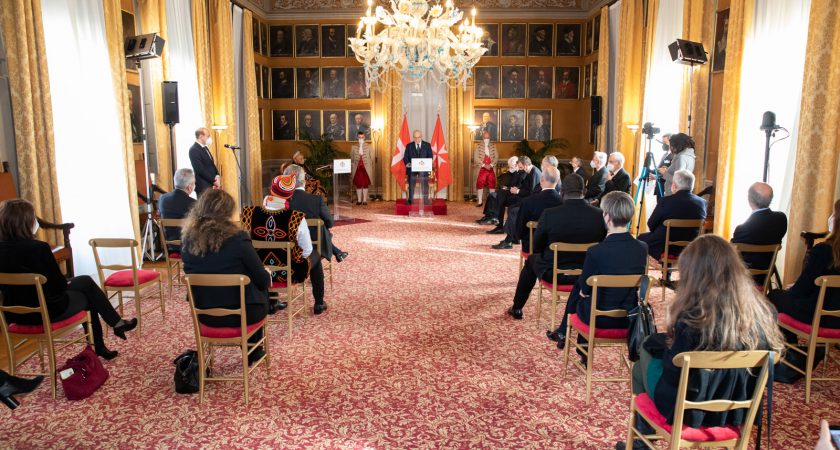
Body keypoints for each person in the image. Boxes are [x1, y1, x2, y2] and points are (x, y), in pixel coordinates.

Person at [617, 235, 784, 450]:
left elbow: (673, 372)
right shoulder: (766, 313)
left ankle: (642, 442)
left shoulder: (693, 318)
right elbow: (774, 368)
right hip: (736, 410)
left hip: (688, 409)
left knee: (641, 363)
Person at [0, 199, 138, 360]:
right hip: (48, 311)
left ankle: (112, 330)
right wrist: (67, 283)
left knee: (85, 282)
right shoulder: (39, 248)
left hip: (13, 316)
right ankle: (107, 336)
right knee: (88, 294)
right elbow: (58, 286)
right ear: (27, 222)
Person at [547, 192, 647, 352]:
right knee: (582, 289)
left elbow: (585, 292)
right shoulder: (642, 248)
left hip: (598, 319)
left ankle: (575, 342)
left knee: (580, 290)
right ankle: (571, 341)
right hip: (629, 316)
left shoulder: (596, 251)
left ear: (607, 217)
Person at [182, 190, 272, 365]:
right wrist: (265, 274)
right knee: (259, 286)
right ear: (227, 212)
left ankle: (252, 350)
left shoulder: (188, 240)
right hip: (243, 315)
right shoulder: (238, 239)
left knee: (248, 286)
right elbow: (261, 280)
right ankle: (253, 350)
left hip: (205, 315)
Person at [507, 174, 606, 319]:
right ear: (584, 191)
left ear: (562, 191)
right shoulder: (599, 215)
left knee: (532, 260)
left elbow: (538, 246)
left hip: (554, 272)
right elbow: (601, 246)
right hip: (587, 274)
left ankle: (517, 307)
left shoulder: (550, 214)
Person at [768, 200, 840, 337]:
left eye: (833, 214)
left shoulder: (823, 250)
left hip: (818, 315)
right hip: (837, 319)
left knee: (775, 296)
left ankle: (791, 348)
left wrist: (792, 289)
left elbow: (801, 291)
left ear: (837, 221)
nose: (830, 217)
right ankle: (812, 350)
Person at [285, 166, 346, 314]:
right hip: (313, 247)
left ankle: (273, 300)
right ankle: (319, 302)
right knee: (316, 256)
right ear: (303, 181)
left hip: (285, 251)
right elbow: (330, 223)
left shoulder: (283, 203)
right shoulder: (315, 199)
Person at [638, 169, 707, 261]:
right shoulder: (702, 203)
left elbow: (651, 224)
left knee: (640, 239)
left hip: (665, 246)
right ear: (692, 185)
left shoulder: (665, 201)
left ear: (674, 185)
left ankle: (646, 270)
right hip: (691, 246)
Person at [494, 166, 562, 250]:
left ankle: (509, 240)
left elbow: (520, 232)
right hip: (555, 247)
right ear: (558, 180)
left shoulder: (528, 202)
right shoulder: (563, 203)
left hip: (532, 246)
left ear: (541, 180)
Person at [731, 182, 788, 284]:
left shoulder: (743, 229)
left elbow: (732, 254)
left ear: (749, 200)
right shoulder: (781, 219)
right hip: (765, 277)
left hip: (746, 279)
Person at [488, 156, 540, 235]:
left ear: (526, 165)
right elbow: (525, 186)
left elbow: (532, 193)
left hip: (527, 200)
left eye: (521, 167)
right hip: (522, 196)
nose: (520, 169)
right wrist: (517, 189)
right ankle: (499, 225)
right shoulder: (530, 170)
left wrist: (518, 191)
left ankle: (507, 232)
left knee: (510, 207)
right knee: (501, 195)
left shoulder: (534, 173)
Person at [158, 168, 197, 252]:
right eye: (194, 184)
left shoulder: (162, 199)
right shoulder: (194, 203)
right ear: (189, 187)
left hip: (170, 246)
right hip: (188, 248)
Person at [478, 156, 522, 226]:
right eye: (510, 166)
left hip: (513, 194)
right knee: (491, 195)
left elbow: (517, 186)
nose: (511, 168)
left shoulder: (519, 173)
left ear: (517, 164)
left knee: (496, 196)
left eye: (512, 166)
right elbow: (504, 181)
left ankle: (494, 218)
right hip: (506, 191)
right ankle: (488, 216)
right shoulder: (510, 173)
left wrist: (507, 188)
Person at [404, 130, 433, 205]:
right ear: (413, 137)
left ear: (421, 137)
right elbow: (405, 157)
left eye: (418, 137)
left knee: (424, 177)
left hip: (423, 169)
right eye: (415, 137)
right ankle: (410, 200)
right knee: (411, 177)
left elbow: (430, 157)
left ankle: (425, 200)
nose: (417, 139)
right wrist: (408, 163)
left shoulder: (427, 145)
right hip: (412, 169)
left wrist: (427, 164)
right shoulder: (409, 146)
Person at [661, 133, 695, 197]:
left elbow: (679, 180)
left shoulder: (681, 157)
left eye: (672, 145)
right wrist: (668, 170)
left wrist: (664, 173)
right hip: (679, 193)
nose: (671, 148)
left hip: (674, 194)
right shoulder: (689, 156)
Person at [188, 127, 220, 195]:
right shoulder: (193, 149)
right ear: (201, 136)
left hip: (211, 185)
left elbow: (211, 164)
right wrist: (214, 181)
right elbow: (200, 170)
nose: (209, 138)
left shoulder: (205, 147)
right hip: (203, 187)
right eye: (208, 136)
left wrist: (217, 175)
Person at [473, 130, 498, 207]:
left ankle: (492, 202)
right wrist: (483, 165)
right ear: (482, 138)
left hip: (491, 168)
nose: (486, 139)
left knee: (492, 184)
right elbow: (476, 157)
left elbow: (496, 157)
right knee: (480, 184)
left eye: (488, 137)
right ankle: (480, 201)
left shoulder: (493, 146)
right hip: (482, 168)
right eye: (485, 137)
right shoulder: (478, 146)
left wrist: (491, 165)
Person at [351, 130, 374, 205]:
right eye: (359, 137)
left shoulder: (369, 146)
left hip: (366, 169)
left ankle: (364, 200)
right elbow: (352, 158)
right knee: (358, 184)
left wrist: (369, 164)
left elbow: (372, 157)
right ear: (357, 137)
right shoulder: (353, 147)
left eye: (362, 137)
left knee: (365, 184)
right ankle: (359, 200)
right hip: (357, 169)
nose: (361, 138)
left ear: (364, 137)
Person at [653, 133, 673, 201]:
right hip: (659, 184)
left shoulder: (674, 156)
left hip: (666, 186)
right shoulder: (665, 154)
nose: (663, 144)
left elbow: (671, 172)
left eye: (665, 142)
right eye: (662, 142)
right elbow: (660, 168)